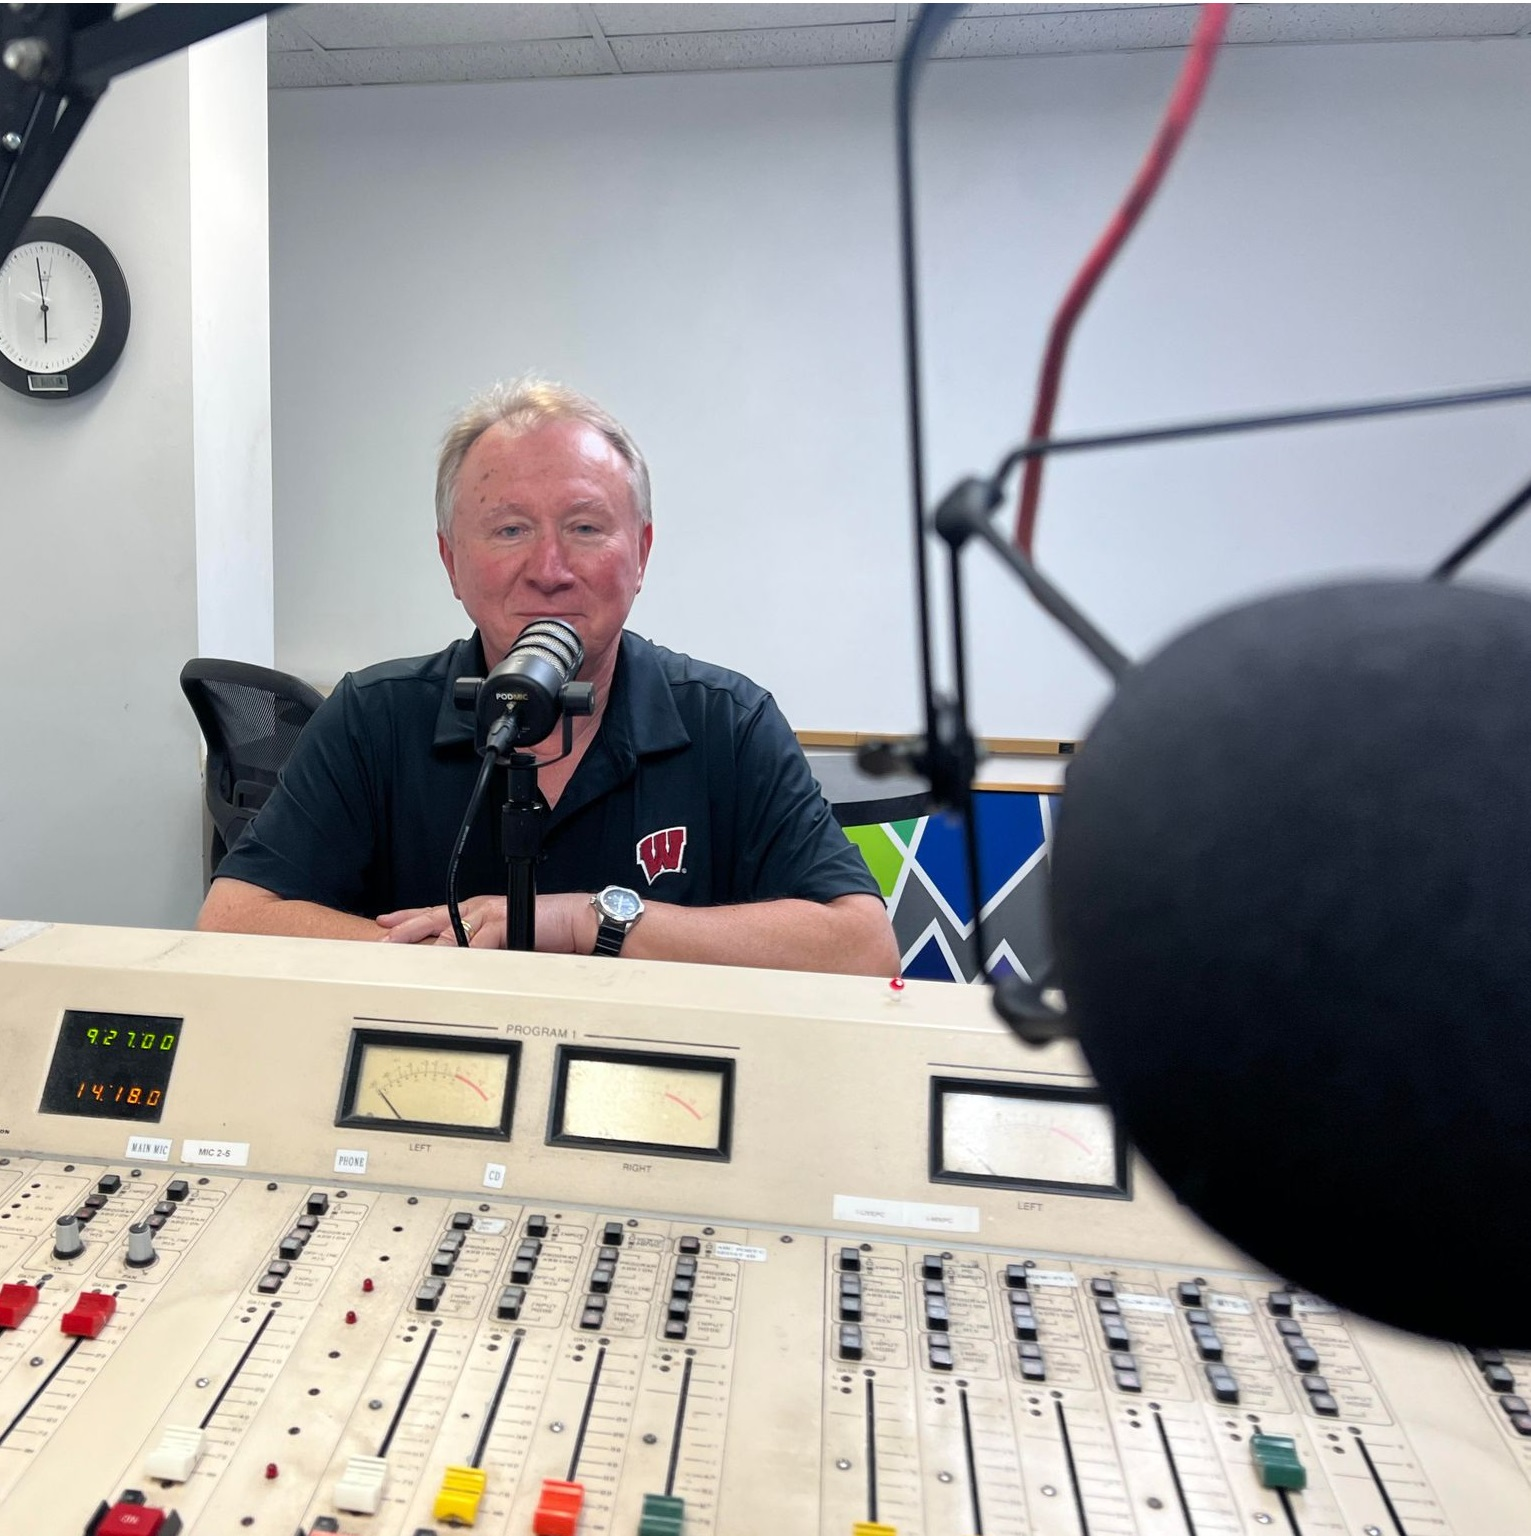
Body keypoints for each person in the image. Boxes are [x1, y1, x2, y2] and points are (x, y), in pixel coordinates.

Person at [196, 378, 900, 976]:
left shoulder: (728, 721)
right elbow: (232, 923)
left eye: (585, 528)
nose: (549, 569)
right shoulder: (373, 717)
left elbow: (863, 950)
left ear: (641, 553)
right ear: (451, 562)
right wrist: (462, 958)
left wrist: (580, 921)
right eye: (510, 530)